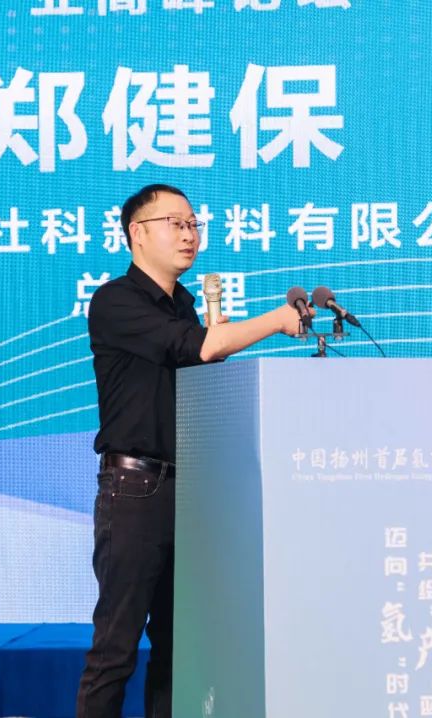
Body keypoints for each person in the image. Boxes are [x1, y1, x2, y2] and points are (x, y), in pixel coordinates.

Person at [75, 184, 310, 718]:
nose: (189, 235)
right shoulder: (115, 301)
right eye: (175, 224)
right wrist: (277, 320)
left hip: (190, 490)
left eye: (192, 224)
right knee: (116, 647)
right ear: (137, 233)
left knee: (178, 646)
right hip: (136, 491)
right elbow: (199, 347)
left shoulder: (183, 304)